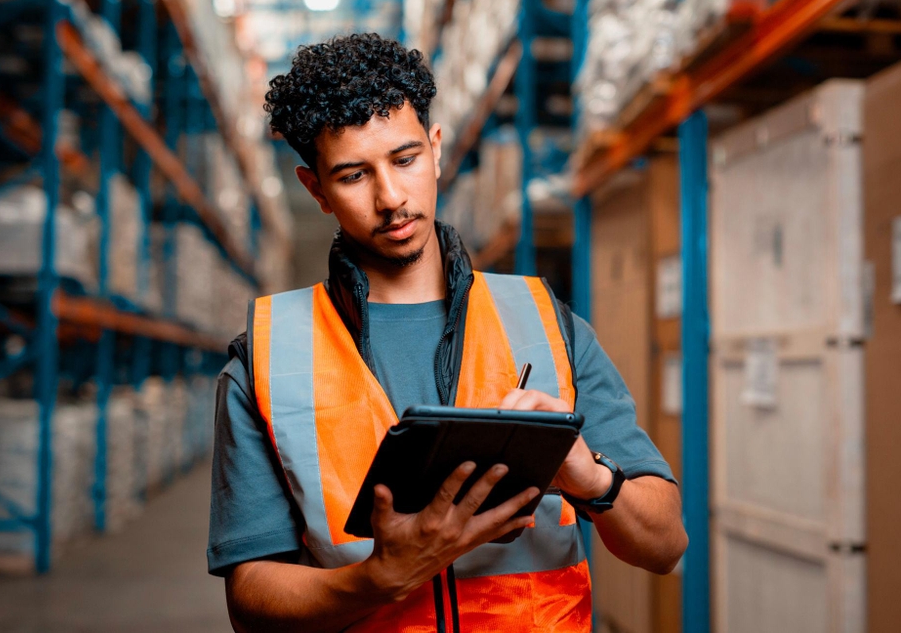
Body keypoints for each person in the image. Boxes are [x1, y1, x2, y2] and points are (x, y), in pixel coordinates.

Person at [208, 34, 687, 632]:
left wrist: (588, 475)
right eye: (354, 175)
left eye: (405, 160)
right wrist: (377, 578)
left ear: (435, 150)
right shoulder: (267, 359)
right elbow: (251, 600)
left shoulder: (545, 322)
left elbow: (665, 544)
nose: (391, 198)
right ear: (316, 190)